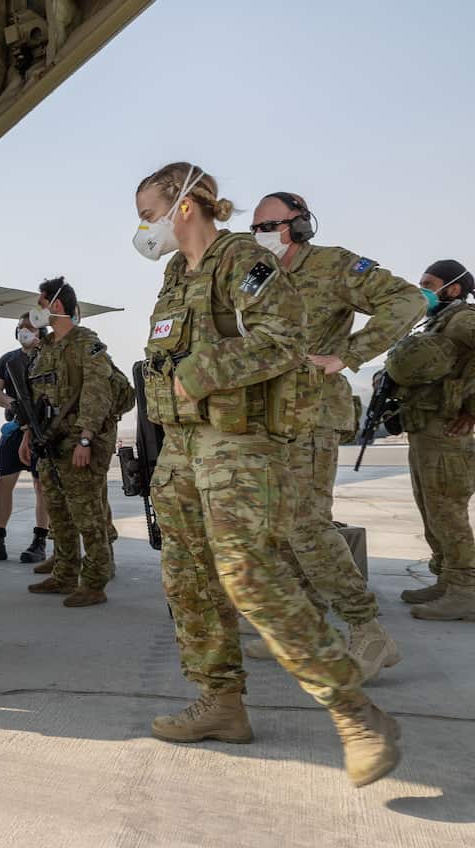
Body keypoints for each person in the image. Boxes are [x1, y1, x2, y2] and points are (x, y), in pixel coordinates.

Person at [134, 161, 398, 787]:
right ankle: (220, 702)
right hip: (181, 447)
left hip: (237, 442)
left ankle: (357, 714)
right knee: (188, 579)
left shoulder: (242, 261)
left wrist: (200, 374)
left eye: (149, 214)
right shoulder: (177, 273)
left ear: (184, 206)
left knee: (249, 576)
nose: (144, 229)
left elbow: (284, 338)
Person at [244, 192, 424, 678]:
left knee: (306, 525)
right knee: (276, 527)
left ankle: (368, 632)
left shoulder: (335, 265)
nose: (258, 234)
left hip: (312, 413)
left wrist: (349, 354)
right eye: (254, 225)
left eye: (268, 225)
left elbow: (408, 300)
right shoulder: (258, 275)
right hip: (265, 417)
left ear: (299, 226)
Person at [20, 279, 120, 607]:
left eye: (41, 303)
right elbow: (38, 398)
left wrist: (87, 439)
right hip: (50, 443)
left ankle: (94, 582)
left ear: (57, 306)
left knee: (87, 514)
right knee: (58, 511)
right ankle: (64, 573)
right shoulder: (46, 348)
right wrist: (27, 434)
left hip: (78, 441)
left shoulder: (86, 344)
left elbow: (97, 392)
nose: (38, 310)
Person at [389, 260, 475, 620]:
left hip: (448, 433)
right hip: (426, 428)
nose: (421, 287)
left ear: (452, 288)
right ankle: (447, 579)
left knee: (447, 512)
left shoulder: (464, 320)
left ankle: (466, 590)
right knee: (431, 509)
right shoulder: (442, 321)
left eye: (429, 282)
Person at [0, 313, 51, 564]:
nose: (23, 331)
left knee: (41, 486)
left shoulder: (48, 358)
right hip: (15, 427)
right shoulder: (8, 359)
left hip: (41, 429)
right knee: (4, 482)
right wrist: (14, 404)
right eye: (20, 328)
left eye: (29, 328)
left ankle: (40, 540)